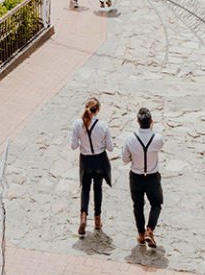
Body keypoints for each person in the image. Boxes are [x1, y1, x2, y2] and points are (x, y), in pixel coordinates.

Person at [70, 96, 113, 236]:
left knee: (85, 188)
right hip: (99, 160)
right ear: (98, 110)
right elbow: (110, 148)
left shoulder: (77, 124)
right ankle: (97, 219)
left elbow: (74, 146)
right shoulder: (103, 125)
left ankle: (83, 216)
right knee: (98, 189)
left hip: (86, 160)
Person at [122, 107, 164, 247]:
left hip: (136, 177)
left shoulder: (130, 139)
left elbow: (125, 159)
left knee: (138, 205)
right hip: (152, 177)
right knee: (156, 204)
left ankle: (141, 235)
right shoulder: (157, 138)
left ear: (137, 122)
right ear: (151, 121)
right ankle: (150, 229)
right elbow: (159, 147)